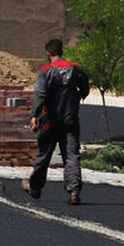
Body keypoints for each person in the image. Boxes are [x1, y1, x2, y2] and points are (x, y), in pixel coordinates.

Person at [27, 38, 91, 205]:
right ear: (62, 51)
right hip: (71, 120)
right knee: (71, 156)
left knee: (44, 155)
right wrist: (77, 97)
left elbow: (40, 95)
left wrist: (34, 115)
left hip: (50, 121)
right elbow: (85, 89)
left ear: (48, 54)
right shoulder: (76, 69)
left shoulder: (46, 71)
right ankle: (74, 191)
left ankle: (35, 188)